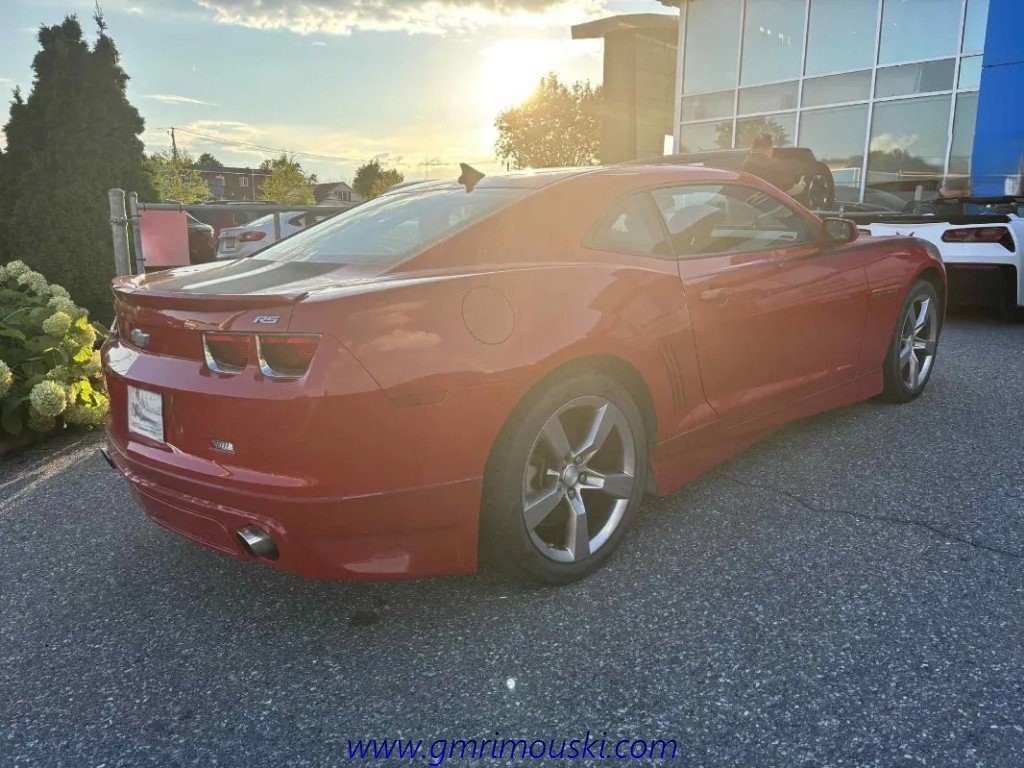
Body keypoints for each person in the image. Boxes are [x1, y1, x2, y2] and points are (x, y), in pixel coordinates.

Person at [741, 134, 807, 199]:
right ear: (768, 149)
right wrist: (802, 185)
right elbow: (788, 189)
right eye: (772, 149)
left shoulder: (745, 165)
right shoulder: (774, 164)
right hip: (766, 204)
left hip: (747, 203)